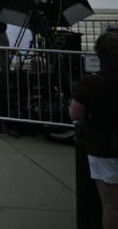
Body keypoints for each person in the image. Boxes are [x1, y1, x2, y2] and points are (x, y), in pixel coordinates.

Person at [70, 30, 118, 228]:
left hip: (104, 147)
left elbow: (75, 114)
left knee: (111, 205)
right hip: (106, 146)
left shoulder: (91, 82)